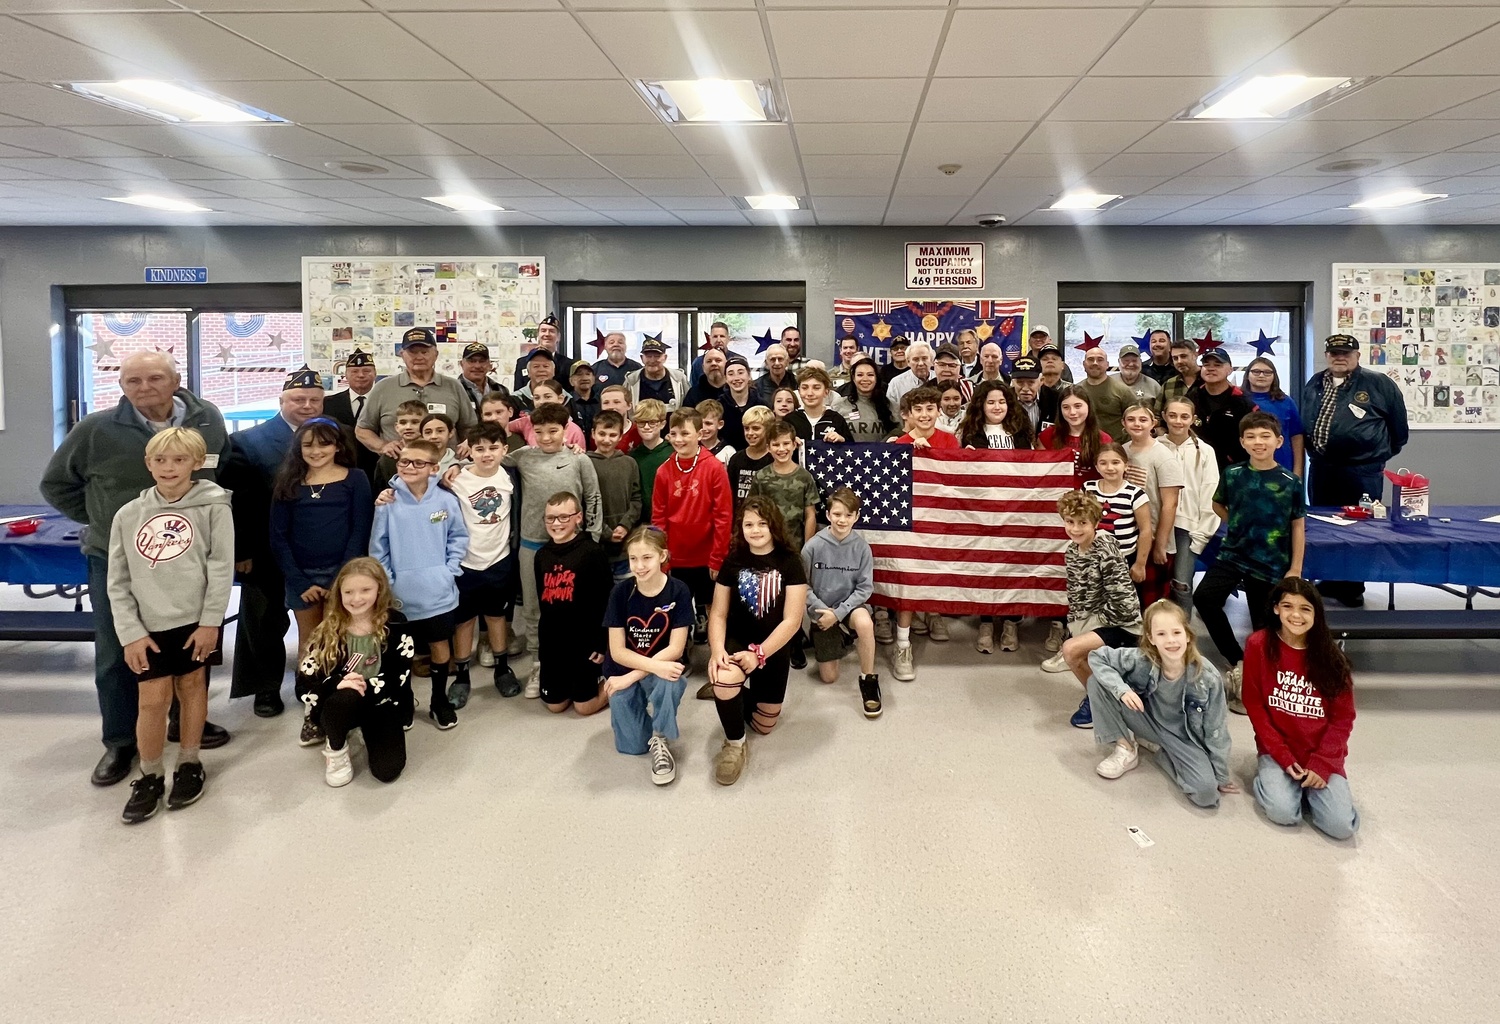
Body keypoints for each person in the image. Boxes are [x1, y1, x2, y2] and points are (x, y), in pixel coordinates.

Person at [41, 351, 234, 786]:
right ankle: (121, 742)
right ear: (122, 386)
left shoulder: (207, 419)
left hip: (187, 559)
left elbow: (219, 476)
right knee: (119, 650)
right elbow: (55, 485)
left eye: (154, 378)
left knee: (191, 646)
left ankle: (185, 727)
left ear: (176, 380)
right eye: (132, 380)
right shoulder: (96, 430)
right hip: (118, 560)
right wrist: (107, 523)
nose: (144, 387)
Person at [108, 427, 234, 824]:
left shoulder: (214, 507)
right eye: (160, 460)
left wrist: (211, 622)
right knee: (152, 700)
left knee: (192, 687)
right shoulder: (128, 515)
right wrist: (131, 633)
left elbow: (220, 568)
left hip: (196, 622)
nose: (169, 467)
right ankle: (149, 774)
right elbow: (118, 580)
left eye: (179, 460)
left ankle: (190, 763)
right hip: (148, 625)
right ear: (148, 464)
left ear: (196, 464)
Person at [223, 364, 327, 719]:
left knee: (316, 617)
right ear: (282, 399)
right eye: (299, 399)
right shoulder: (249, 440)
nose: (307, 405)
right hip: (264, 547)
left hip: (315, 545)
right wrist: (242, 551)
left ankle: (312, 678)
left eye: (315, 399)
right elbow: (239, 501)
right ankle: (264, 687)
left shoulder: (335, 437)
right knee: (263, 619)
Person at [269, 418, 373, 745]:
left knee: (342, 641)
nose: (316, 451)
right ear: (299, 448)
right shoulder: (288, 482)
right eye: (308, 444)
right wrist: (300, 581)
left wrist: (341, 581)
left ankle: (342, 703)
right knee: (311, 644)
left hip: (343, 578)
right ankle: (313, 710)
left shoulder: (354, 480)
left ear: (338, 446)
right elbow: (278, 537)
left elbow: (360, 529)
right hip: (302, 578)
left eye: (324, 443)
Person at [1193, 410, 1305, 714]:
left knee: (1262, 623)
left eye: (1265, 436)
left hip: (1271, 561)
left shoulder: (1289, 482)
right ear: (1242, 441)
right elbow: (1218, 503)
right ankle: (1238, 661)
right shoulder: (1233, 474)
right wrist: (1239, 523)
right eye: (1251, 436)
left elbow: (1297, 526)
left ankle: (1258, 677)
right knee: (1204, 598)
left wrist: (1295, 567)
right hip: (1233, 553)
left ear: (1278, 441)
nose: (1258, 442)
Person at [1084, 600, 1236, 809]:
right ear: (1151, 638)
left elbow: (1216, 728)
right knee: (1097, 682)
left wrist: (1220, 773)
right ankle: (1125, 748)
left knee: (1206, 795)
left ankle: (1163, 754)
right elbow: (1097, 657)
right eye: (1161, 634)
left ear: (1188, 635)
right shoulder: (1142, 659)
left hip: (1185, 738)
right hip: (1146, 720)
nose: (1171, 640)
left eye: (1176, 632)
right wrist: (1123, 690)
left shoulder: (1207, 677)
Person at [1243, 578, 1360, 840]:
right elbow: (1255, 705)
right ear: (1276, 609)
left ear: (1316, 614)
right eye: (1287, 606)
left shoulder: (1332, 658)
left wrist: (1322, 764)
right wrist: (1282, 756)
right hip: (1277, 750)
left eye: (1305, 608)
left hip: (1320, 752)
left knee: (1341, 828)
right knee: (1282, 813)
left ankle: (1308, 789)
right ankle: (1274, 780)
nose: (1295, 615)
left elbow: (1343, 719)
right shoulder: (1258, 645)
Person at [707, 496, 809, 787]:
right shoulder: (734, 560)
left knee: (765, 725)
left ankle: (728, 690)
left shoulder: (790, 562)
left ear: (774, 525)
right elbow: (718, 613)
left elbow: (792, 620)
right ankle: (735, 743)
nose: (755, 530)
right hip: (737, 641)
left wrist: (759, 653)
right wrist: (716, 651)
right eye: (749, 524)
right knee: (726, 678)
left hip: (771, 648)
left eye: (762, 523)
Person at [1301, 333, 1408, 608]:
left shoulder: (1378, 383)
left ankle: (1353, 587)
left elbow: (1399, 431)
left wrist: (1374, 455)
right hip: (1323, 468)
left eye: (1346, 353)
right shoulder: (1315, 383)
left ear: (1358, 356)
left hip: (1362, 471)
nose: (1340, 357)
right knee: (1325, 526)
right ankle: (1331, 579)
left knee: (1359, 529)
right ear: (1327, 356)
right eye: (1334, 352)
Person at [504, 403, 604, 698]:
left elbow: (593, 496)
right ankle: (539, 662)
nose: (546, 437)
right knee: (534, 608)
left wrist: (592, 539)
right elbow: (488, 460)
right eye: (540, 431)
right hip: (533, 544)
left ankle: (581, 660)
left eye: (553, 431)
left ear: (566, 430)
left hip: (574, 546)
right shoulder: (522, 457)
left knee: (573, 606)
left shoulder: (578, 459)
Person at [370, 437, 468, 730]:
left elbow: (458, 538)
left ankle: (439, 701)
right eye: (404, 462)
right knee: (402, 653)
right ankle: (403, 700)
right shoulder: (388, 501)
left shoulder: (447, 500)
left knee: (440, 647)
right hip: (400, 595)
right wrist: (389, 583)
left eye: (418, 462)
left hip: (438, 591)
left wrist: (448, 571)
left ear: (434, 468)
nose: (410, 467)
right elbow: (378, 547)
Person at [296, 558, 416, 787]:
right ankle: (337, 748)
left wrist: (364, 685)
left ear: (379, 589)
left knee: (387, 770)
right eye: (348, 592)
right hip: (340, 702)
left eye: (365, 590)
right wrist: (337, 684)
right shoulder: (328, 629)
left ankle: (365, 728)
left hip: (381, 703)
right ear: (339, 594)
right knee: (344, 697)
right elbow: (305, 681)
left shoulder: (397, 624)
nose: (356, 598)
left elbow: (399, 677)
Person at [603, 526, 693, 785]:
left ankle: (660, 736)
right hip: (624, 669)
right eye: (633, 559)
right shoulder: (620, 593)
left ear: (663, 556)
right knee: (632, 746)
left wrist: (644, 672)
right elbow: (618, 651)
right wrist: (629, 678)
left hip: (662, 666)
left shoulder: (679, 591)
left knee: (671, 679)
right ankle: (641, 723)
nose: (639, 566)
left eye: (647, 558)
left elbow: (675, 649)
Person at [1046, 490, 1143, 730]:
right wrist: (1076, 625)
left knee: (1071, 651)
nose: (1075, 529)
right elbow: (1077, 597)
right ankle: (1102, 696)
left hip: (1122, 624)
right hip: (1094, 621)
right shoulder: (1071, 551)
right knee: (1074, 646)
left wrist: (1087, 627)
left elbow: (1123, 602)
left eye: (1082, 523)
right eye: (1070, 522)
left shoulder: (1105, 546)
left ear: (1096, 523)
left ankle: (1098, 699)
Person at [956, 381, 1033, 654]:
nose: (997, 407)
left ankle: (1011, 621)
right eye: (991, 402)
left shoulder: (1022, 432)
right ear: (981, 405)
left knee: (1012, 566)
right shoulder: (970, 433)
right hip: (982, 513)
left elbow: (1032, 472)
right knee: (986, 566)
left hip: (1015, 511)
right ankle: (986, 621)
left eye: (1001, 401)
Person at [447, 422, 522, 703]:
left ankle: (502, 669)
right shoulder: (456, 479)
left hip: (499, 561)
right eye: (479, 449)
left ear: (504, 449)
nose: (487, 454)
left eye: (493, 448)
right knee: (464, 620)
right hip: (465, 563)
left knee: (496, 616)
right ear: (469, 452)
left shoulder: (511, 476)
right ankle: (462, 675)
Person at [653, 407, 734, 649]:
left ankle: (718, 655)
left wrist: (718, 557)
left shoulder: (714, 468)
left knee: (714, 609)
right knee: (676, 608)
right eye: (674, 434)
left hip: (707, 555)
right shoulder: (663, 471)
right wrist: (662, 558)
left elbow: (723, 515)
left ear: (699, 434)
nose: (678, 440)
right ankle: (679, 652)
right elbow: (659, 517)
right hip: (676, 556)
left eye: (685, 434)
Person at [802, 488, 881, 718]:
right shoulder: (813, 547)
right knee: (829, 677)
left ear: (856, 517)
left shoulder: (861, 548)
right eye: (837, 514)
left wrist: (839, 613)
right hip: (822, 610)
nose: (842, 520)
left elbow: (864, 588)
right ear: (828, 515)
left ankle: (868, 681)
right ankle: (841, 637)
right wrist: (823, 611)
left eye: (848, 515)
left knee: (865, 623)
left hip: (848, 608)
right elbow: (802, 586)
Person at [535, 491, 613, 715]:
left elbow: (606, 600)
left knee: (584, 707)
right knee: (555, 706)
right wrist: (543, 648)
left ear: (578, 518)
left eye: (563, 517)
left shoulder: (592, 552)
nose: (556, 524)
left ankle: (621, 677)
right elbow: (544, 604)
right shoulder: (541, 556)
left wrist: (602, 643)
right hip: (553, 644)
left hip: (584, 643)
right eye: (550, 518)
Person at [357, 326, 476, 458]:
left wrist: (470, 443)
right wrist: (382, 445)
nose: (419, 357)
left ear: (435, 354)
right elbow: (362, 430)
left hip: (447, 471)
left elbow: (470, 427)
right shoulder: (383, 388)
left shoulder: (454, 386)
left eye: (424, 352)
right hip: (398, 468)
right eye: (413, 352)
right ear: (402, 355)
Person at [1159, 397, 1221, 612]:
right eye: (1173, 415)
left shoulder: (1204, 451)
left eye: (1184, 416)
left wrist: (1201, 534)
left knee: (1182, 584)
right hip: (1157, 526)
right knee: (1156, 584)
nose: (1178, 421)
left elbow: (1210, 495)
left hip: (1188, 528)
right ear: (1164, 416)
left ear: (1193, 420)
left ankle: (1183, 637)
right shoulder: (1154, 448)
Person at [1120, 403, 1183, 607]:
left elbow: (1170, 504)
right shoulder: (1122, 451)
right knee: (1130, 598)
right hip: (1129, 537)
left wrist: (1161, 544)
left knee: (1153, 603)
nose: (1137, 424)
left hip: (1155, 536)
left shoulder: (1163, 456)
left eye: (1143, 420)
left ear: (1153, 423)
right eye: (1131, 419)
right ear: (1123, 423)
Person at [1085, 443, 1152, 587]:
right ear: (1096, 467)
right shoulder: (1087, 489)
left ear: (1126, 465)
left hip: (1124, 557)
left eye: (1116, 462)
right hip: (1092, 556)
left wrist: (1140, 564)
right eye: (1103, 463)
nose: (1110, 468)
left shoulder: (1135, 494)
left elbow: (1146, 530)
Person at [588, 410, 643, 582]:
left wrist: (625, 525)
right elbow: (583, 503)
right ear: (593, 433)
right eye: (602, 434)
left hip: (625, 545)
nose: (606, 439)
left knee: (625, 592)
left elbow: (636, 499)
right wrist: (604, 531)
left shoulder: (629, 463)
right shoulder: (584, 462)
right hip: (596, 544)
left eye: (612, 435)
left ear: (620, 437)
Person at [752, 421, 820, 554]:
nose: (781, 449)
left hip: (796, 547)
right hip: (767, 546)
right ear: (768, 448)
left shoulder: (805, 477)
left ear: (794, 445)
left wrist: (807, 548)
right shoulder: (761, 477)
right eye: (776, 445)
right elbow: (753, 512)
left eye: (786, 443)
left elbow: (810, 515)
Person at [1191, 348, 1257, 473]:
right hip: (1196, 469)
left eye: (1218, 365)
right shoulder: (1191, 398)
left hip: (1234, 472)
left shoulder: (1244, 403)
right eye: (1206, 365)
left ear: (1230, 370)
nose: (1211, 368)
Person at [323, 348, 381, 485]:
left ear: (375, 374)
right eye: (354, 371)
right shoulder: (328, 404)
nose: (361, 375)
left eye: (366, 371)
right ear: (346, 375)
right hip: (340, 471)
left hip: (378, 471)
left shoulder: (385, 401)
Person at [1039, 385, 1111, 487]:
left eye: (1078, 406)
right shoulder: (1047, 435)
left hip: (1090, 499)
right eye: (1066, 407)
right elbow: (1039, 472)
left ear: (1088, 406)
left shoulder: (1104, 439)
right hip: (1056, 496)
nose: (1072, 412)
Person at [1244, 357, 1304, 477]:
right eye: (1256, 371)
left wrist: (1297, 472)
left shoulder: (1286, 402)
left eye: (1267, 372)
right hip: (1245, 468)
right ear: (1247, 375)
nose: (1261, 375)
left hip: (1282, 466)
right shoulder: (1237, 400)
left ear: (1274, 376)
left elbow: (1297, 438)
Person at [1076, 346, 1136, 441]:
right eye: (1091, 359)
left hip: (1115, 448)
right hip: (1084, 446)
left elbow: (1134, 422)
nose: (1095, 363)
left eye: (1100, 360)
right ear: (1084, 364)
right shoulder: (1076, 391)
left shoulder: (1123, 391)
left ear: (1107, 364)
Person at [510, 380, 587, 450]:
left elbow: (580, 456)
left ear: (560, 399)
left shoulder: (574, 430)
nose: (541, 402)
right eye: (537, 398)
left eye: (547, 397)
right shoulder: (526, 422)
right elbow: (503, 427)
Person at [629, 399, 672, 522]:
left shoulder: (672, 453)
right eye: (642, 422)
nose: (646, 427)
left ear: (663, 424)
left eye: (652, 422)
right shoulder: (632, 456)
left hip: (668, 519)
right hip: (641, 521)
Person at [836, 356, 896, 441]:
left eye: (870, 375)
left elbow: (901, 431)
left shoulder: (891, 405)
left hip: (881, 453)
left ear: (876, 378)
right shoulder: (839, 405)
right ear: (853, 378)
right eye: (860, 375)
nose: (865, 379)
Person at [726, 406, 776, 508]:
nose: (750, 433)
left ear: (768, 429)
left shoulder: (774, 459)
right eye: (746, 428)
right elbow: (729, 495)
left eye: (756, 428)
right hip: (741, 519)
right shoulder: (736, 459)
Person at [786, 366, 851, 444]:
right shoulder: (789, 420)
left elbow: (852, 450)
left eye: (816, 388)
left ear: (826, 392)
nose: (810, 393)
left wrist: (842, 440)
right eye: (805, 388)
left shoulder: (837, 420)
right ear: (799, 391)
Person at [626, 334, 689, 411]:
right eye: (648, 356)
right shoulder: (631, 380)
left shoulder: (679, 378)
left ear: (665, 358)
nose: (652, 360)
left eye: (657, 356)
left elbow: (688, 408)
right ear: (641, 358)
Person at [373, 400, 429, 485]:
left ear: (425, 425)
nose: (408, 427)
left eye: (415, 422)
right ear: (396, 427)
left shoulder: (433, 454)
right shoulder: (388, 459)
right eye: (403, 422)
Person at [717, 354, 765, 451]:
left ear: (749, 375)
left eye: (740, 372)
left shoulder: (762, 406)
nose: (736, 378)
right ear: (725, 378)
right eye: (731, 374)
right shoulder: (719, 407)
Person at [894, 384, 960, 451]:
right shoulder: (900, 443)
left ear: (939, 411)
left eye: (930, 409)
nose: (924, 415)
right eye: (918, 409)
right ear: (910, 413)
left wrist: (929, 451)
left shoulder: (949, 440)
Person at [512, 313, 566, 392]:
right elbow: (518, 391)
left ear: (558, 337)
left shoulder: (567, 364)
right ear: (538, 335)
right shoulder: (522, 362)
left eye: (551, 331)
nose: (547, 334)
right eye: (543, 331)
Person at [1009, 355, 1058, 435]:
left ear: (1041, 381)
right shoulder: (1004, 400)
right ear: (1012, 382)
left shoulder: (1055, 399)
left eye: (1031, 382)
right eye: (1020, 382)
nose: (1025, 388)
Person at [457, 341, 508, 417]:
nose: (477, 366)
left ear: (489, 365)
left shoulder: (501, 390)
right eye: (472, 361)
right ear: (461, 364)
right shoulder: (454, 390)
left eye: (482, 361)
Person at [885, 340, 936, 409]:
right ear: (908, 362)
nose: (921, 363)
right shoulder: (896, 384)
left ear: (931, 360)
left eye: (924, 358)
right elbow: (892, 414)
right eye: (916, 359)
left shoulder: (940, 379)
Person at [1112, 342, 1162, 410]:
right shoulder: (1108, 383)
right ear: (1119, 362)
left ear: (1140, 362)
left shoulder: (1153, 386)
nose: (1131, 364)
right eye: (1126, 361)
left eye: (1134, 360)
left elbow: (1158, 414)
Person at [1159, 337, 1201, 410]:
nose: (1179, 361)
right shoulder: (1169, 385)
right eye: (1175, 358)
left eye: (1183, 356)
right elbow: (1157, 415)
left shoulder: (1210, 380)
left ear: (1195, 355)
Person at [689, 320, 730, 387]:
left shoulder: (737, 360)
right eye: (715, 336)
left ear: (728, 339)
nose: (719, 340)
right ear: (710, 338)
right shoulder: (698, 362)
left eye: (722, 336)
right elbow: (693, 386)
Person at [567, 360, 601, 442]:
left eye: (588, 374)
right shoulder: (566, 402)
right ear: (571, 381)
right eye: (579, 374)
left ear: (593, 379)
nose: (584, 378)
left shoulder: (602, 402)